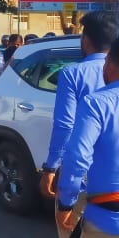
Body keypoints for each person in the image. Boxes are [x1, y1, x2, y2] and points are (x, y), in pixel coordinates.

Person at [40, 12, 119, 200]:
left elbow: (65, 126)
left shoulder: (72, 74)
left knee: (75, 225)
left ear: (85, 40)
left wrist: (51, 167)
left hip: (86, 180)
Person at [55, 37, 119, 236]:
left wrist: (66, 205)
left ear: (109, 63)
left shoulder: (96, 104)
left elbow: (77, 158)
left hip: (106, 221)